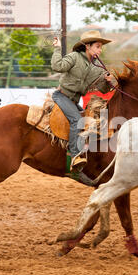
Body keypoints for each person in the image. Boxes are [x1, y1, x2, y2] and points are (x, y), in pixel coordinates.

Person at [51, 30, 114, 172]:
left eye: (101, 47)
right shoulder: (74, 57)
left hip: (73, 101)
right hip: (61, 96)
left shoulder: (97, 67)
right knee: (76, 121)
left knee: (89, 122)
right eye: (98, 46)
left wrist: (108, 81)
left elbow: (104, 90)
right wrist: (57, 48)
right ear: (87, 46)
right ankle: (74, 155)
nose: (100, 49)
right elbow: (57, 66)